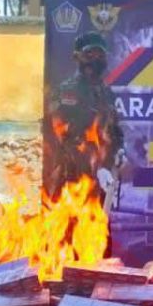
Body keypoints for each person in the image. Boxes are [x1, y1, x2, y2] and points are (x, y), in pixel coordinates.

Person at [44, 31, 126, 207]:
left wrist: (119, 151)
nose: (95, 59)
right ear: (77, 57)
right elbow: (66, 138)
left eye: (100, 54)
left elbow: (114, 130)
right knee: (70, 232)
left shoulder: (106, 93)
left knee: (100, 231)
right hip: (71, 180)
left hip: (102, 181)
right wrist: (97, 168)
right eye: (89, 54)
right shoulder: (67, 92)